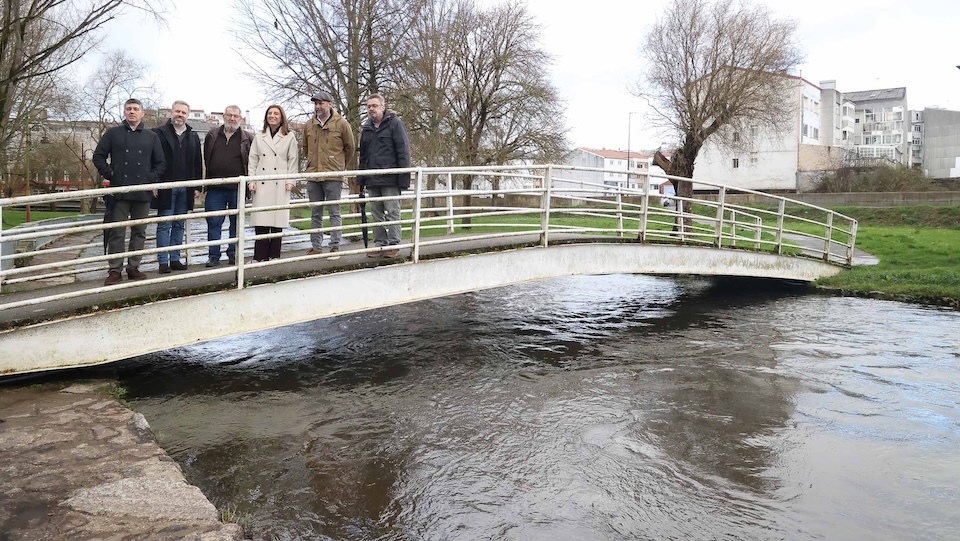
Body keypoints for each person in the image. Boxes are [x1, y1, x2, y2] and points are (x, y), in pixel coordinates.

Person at [92, 98, 165, 286]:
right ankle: (115, 270)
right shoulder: (113, 133)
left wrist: (150, 178)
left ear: (142, 113)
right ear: (124, 112)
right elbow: (98, 156)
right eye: (128, 109)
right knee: (117, 231)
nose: (132, 112)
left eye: (135, 109)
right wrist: (111, 174)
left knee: (139, 231)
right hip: (120, 191)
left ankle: (134, 267)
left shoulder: (151, 136)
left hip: (142, 191)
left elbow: (161, 163)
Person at [301, 91, 356, 257]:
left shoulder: (341, 124)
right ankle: (316, 247)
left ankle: (334, 246)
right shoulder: (309, 125)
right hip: (313, 175)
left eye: (321, 103)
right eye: (316, 103)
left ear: (330, 104)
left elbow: (350, 148)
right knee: (315, 212)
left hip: (333, 175)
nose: (318, 106)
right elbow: (305, 147)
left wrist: (338, 165)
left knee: (334, 211)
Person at [151, 100, 203, 273]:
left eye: (183, 112)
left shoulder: (193, 136)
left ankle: (175, 258)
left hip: (186, 187)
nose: (180, 115)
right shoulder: (158, 133)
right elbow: (152, 160)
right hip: (166, 187)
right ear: (171, 113)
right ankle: (163, 262)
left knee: (179, 224)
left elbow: (197, 161)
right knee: (164, 224)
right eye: (177, 111)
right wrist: (154, 182)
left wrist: (197, 186)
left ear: (187, 115)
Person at [358, 93, 411, 258]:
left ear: (382, 106)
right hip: (373, 179)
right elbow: (363, 156)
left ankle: (394, 244)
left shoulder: (395, 124)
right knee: (376, 212)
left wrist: (403, 178)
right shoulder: (366, 128)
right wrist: (361, 179)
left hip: (390, 178)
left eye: (374, 106)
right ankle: (380, 244)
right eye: (368, 106)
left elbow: (403, 151)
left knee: (392, 211)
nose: (371, 109)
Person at [247, 105, 298, 261]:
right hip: (262, 181)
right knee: (261, 220)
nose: (273, 116)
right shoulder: (259, 136)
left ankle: (274, 255)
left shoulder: (290, 136)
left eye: (276, 113)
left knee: (277, 220)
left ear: (281, 117)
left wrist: (291, 180)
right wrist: (252, 180)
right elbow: (253, 159)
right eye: (270, 113)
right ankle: (259, 256)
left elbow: (293, 160)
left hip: (280, 182)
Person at [203, 105, 252, 267]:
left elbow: (250, 161)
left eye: (235, 116)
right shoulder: (212, 135)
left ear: (240, 119)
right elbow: (206, 158)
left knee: (236, 223)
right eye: (229, 115)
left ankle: (233, 253)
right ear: (224, 116)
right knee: (214, 222)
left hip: (237, 188)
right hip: (215, 187)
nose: (232, 119)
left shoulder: (247, 137)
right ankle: (213, 255)